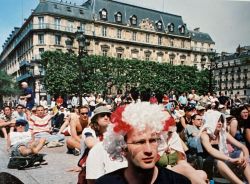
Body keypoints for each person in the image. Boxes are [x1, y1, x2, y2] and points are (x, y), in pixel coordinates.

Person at [96, 102, 191, 184]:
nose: (149, 150)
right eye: (139, 142)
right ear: (123, 148)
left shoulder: (179, 182)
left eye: (153, 140)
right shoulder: (105, 182)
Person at [200, 110, 250, 183]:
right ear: (211, 121)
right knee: (218, 160)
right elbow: (210, 150)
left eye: (221, 121)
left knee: (240, 153)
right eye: (218, 121)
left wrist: (246, 158)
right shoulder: (204, 135)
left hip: (225, 161)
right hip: (211, 164)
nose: (220, 123)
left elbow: (242, 146)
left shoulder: (223, 133)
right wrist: (230, 159)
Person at [85, 106, 127, 184]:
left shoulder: (117, 134)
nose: (106, 117)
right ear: (96, 119)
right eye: (102, 115)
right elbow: (90, 144)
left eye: (108, 115)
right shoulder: (89, 130)